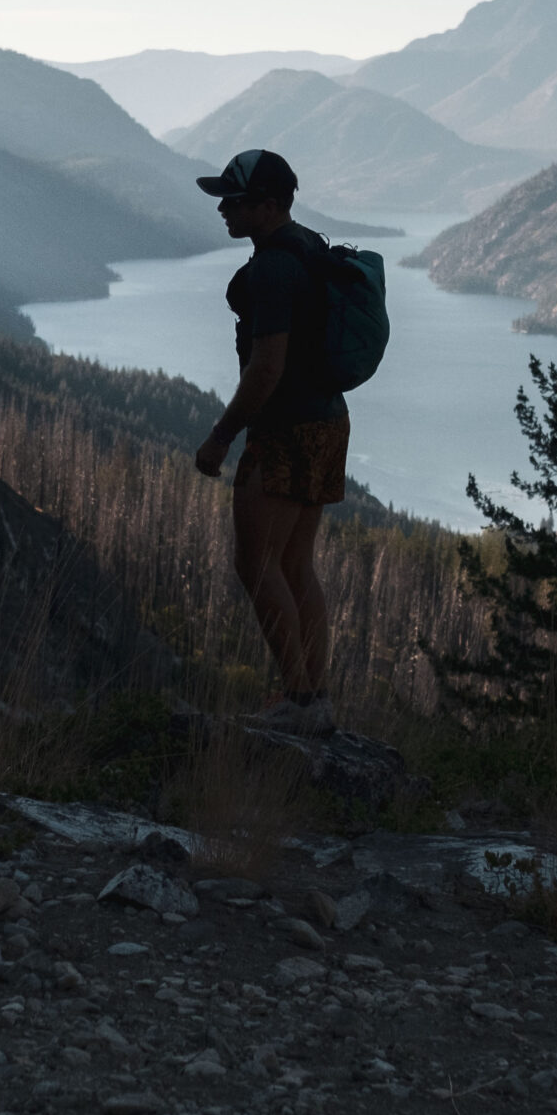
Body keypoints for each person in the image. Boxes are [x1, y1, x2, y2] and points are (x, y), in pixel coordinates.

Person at [192, 148, 346, 731]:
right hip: (328, 421)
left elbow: (267, 367)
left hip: (284, 431)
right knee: (294, 562)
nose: (224, 210)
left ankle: (298, 701)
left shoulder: (274, 269)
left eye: (234, 201)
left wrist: (220, 437)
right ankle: (316, 699)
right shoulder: (307, 246)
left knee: (256, 563)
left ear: (269, 204)